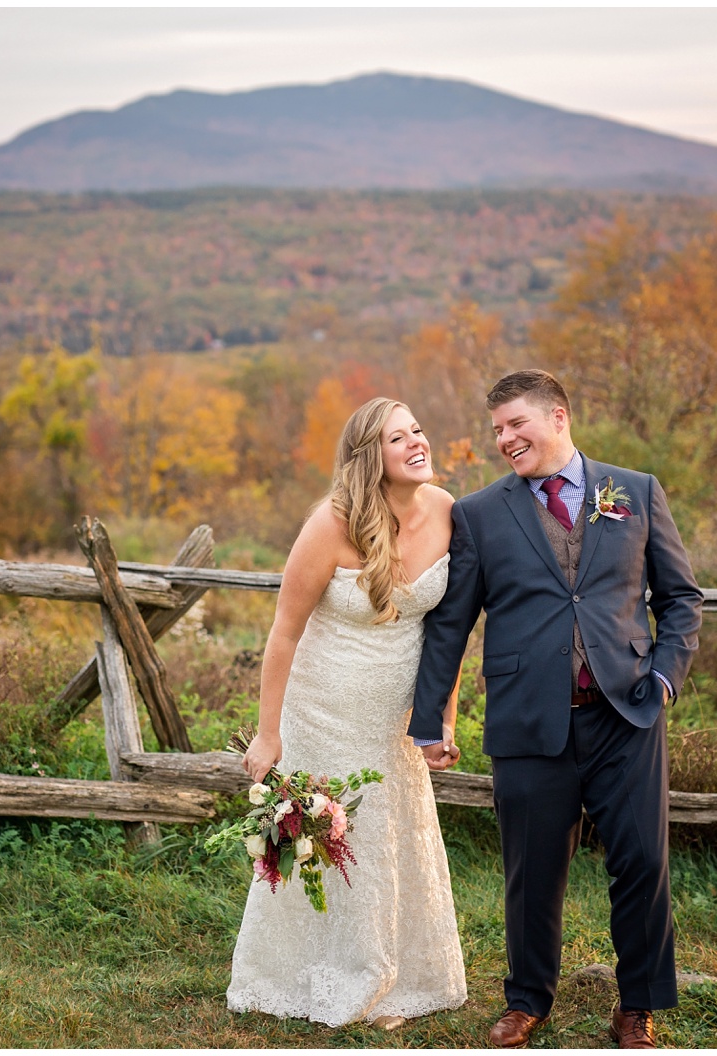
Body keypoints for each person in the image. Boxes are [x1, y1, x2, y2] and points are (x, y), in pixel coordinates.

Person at [410, 369, 703, 1050]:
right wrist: (430, 720)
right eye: (497, 431)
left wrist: (663, 677)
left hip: (626, 712)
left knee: (642, 861)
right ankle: (526, 1000)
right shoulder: (480, 513)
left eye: (516, 425)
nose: (505, 440)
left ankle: (637, 1005)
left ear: (559, 417)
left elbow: (681, 598)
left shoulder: (634, 492)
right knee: (532, 868)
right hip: (527, 717)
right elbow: (451, 623)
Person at [226, 397, 468, 1028]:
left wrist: (443, 719)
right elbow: (283, 631)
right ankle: (308, 971)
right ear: (370, 457)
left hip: (397, 715)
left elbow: (452, 630)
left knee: (393, 833)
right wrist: (269, 733)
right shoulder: (330, 525)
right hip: (325, 707)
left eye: (418, 428)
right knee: (333, 834)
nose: (418, 442)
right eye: (398, 438)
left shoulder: (446, 510)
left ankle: (401, 969)